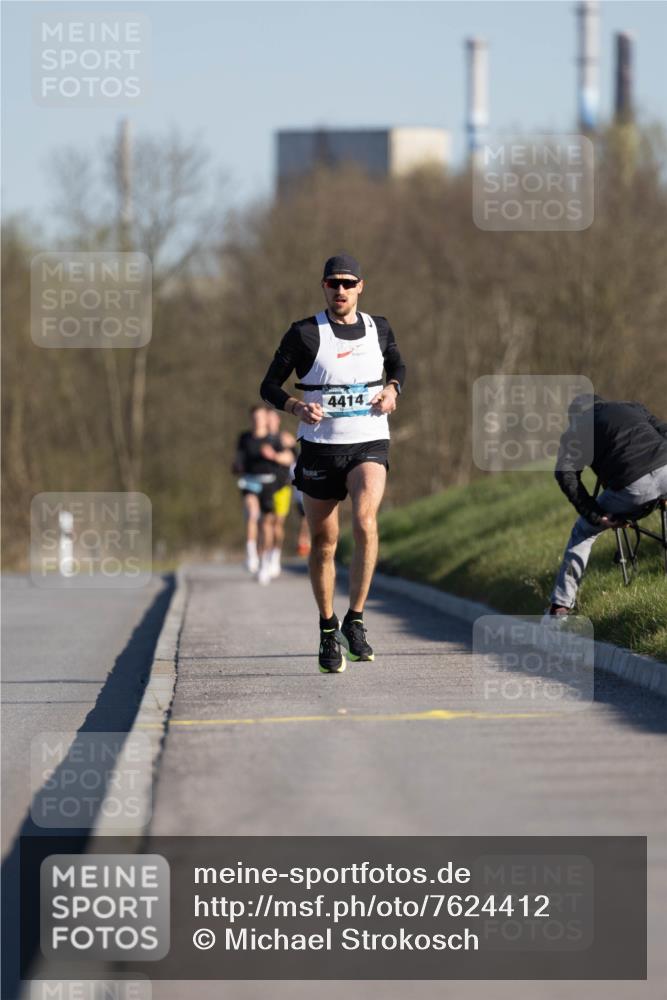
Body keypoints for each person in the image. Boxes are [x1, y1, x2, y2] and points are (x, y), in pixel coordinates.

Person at [260, 253, 406, 672]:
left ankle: (355, 620)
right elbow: (268, 385)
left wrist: (393, 389)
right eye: (332, 283)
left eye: (347, 283)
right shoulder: (304, 333)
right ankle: (328, 628)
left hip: (369, 441)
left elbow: (397, 363)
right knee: (324, 543)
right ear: (323, 287)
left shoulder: (380, 328)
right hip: (320, 448)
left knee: (365, 522)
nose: (339, 290)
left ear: (361, 286)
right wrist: (294, 406)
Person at [543, 394, 667, 620]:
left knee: (582, 531)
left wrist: (595, 515)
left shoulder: (576, 430)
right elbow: (664, 430)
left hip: (633, 488)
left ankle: (560, 607)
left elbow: (565, 474)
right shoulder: (631, 406)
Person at [232, 406, 275, 574]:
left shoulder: (273, 438)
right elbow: (238, 458)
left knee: (266, 524)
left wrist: (274, 455)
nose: (257, 421)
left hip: (269, 482)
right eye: (254, 418)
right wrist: (237, 465)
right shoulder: (245, 438)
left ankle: (265, 560)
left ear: (266, 419)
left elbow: (288, 458)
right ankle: (251, 555)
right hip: (249, 480)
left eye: (260, 417)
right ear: (251, 419)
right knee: (252, 513)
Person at [262, 408, 298, 580]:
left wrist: (276, 455)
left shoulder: (284, 438)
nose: (268, 422)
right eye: (265, 419)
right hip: (264, 486)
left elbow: (291, 459)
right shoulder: (259, 439)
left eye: (271, 419)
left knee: (277, 523)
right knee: (265, 522)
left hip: (282, 485)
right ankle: (265, 557)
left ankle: (275, 555)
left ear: (277, 420)